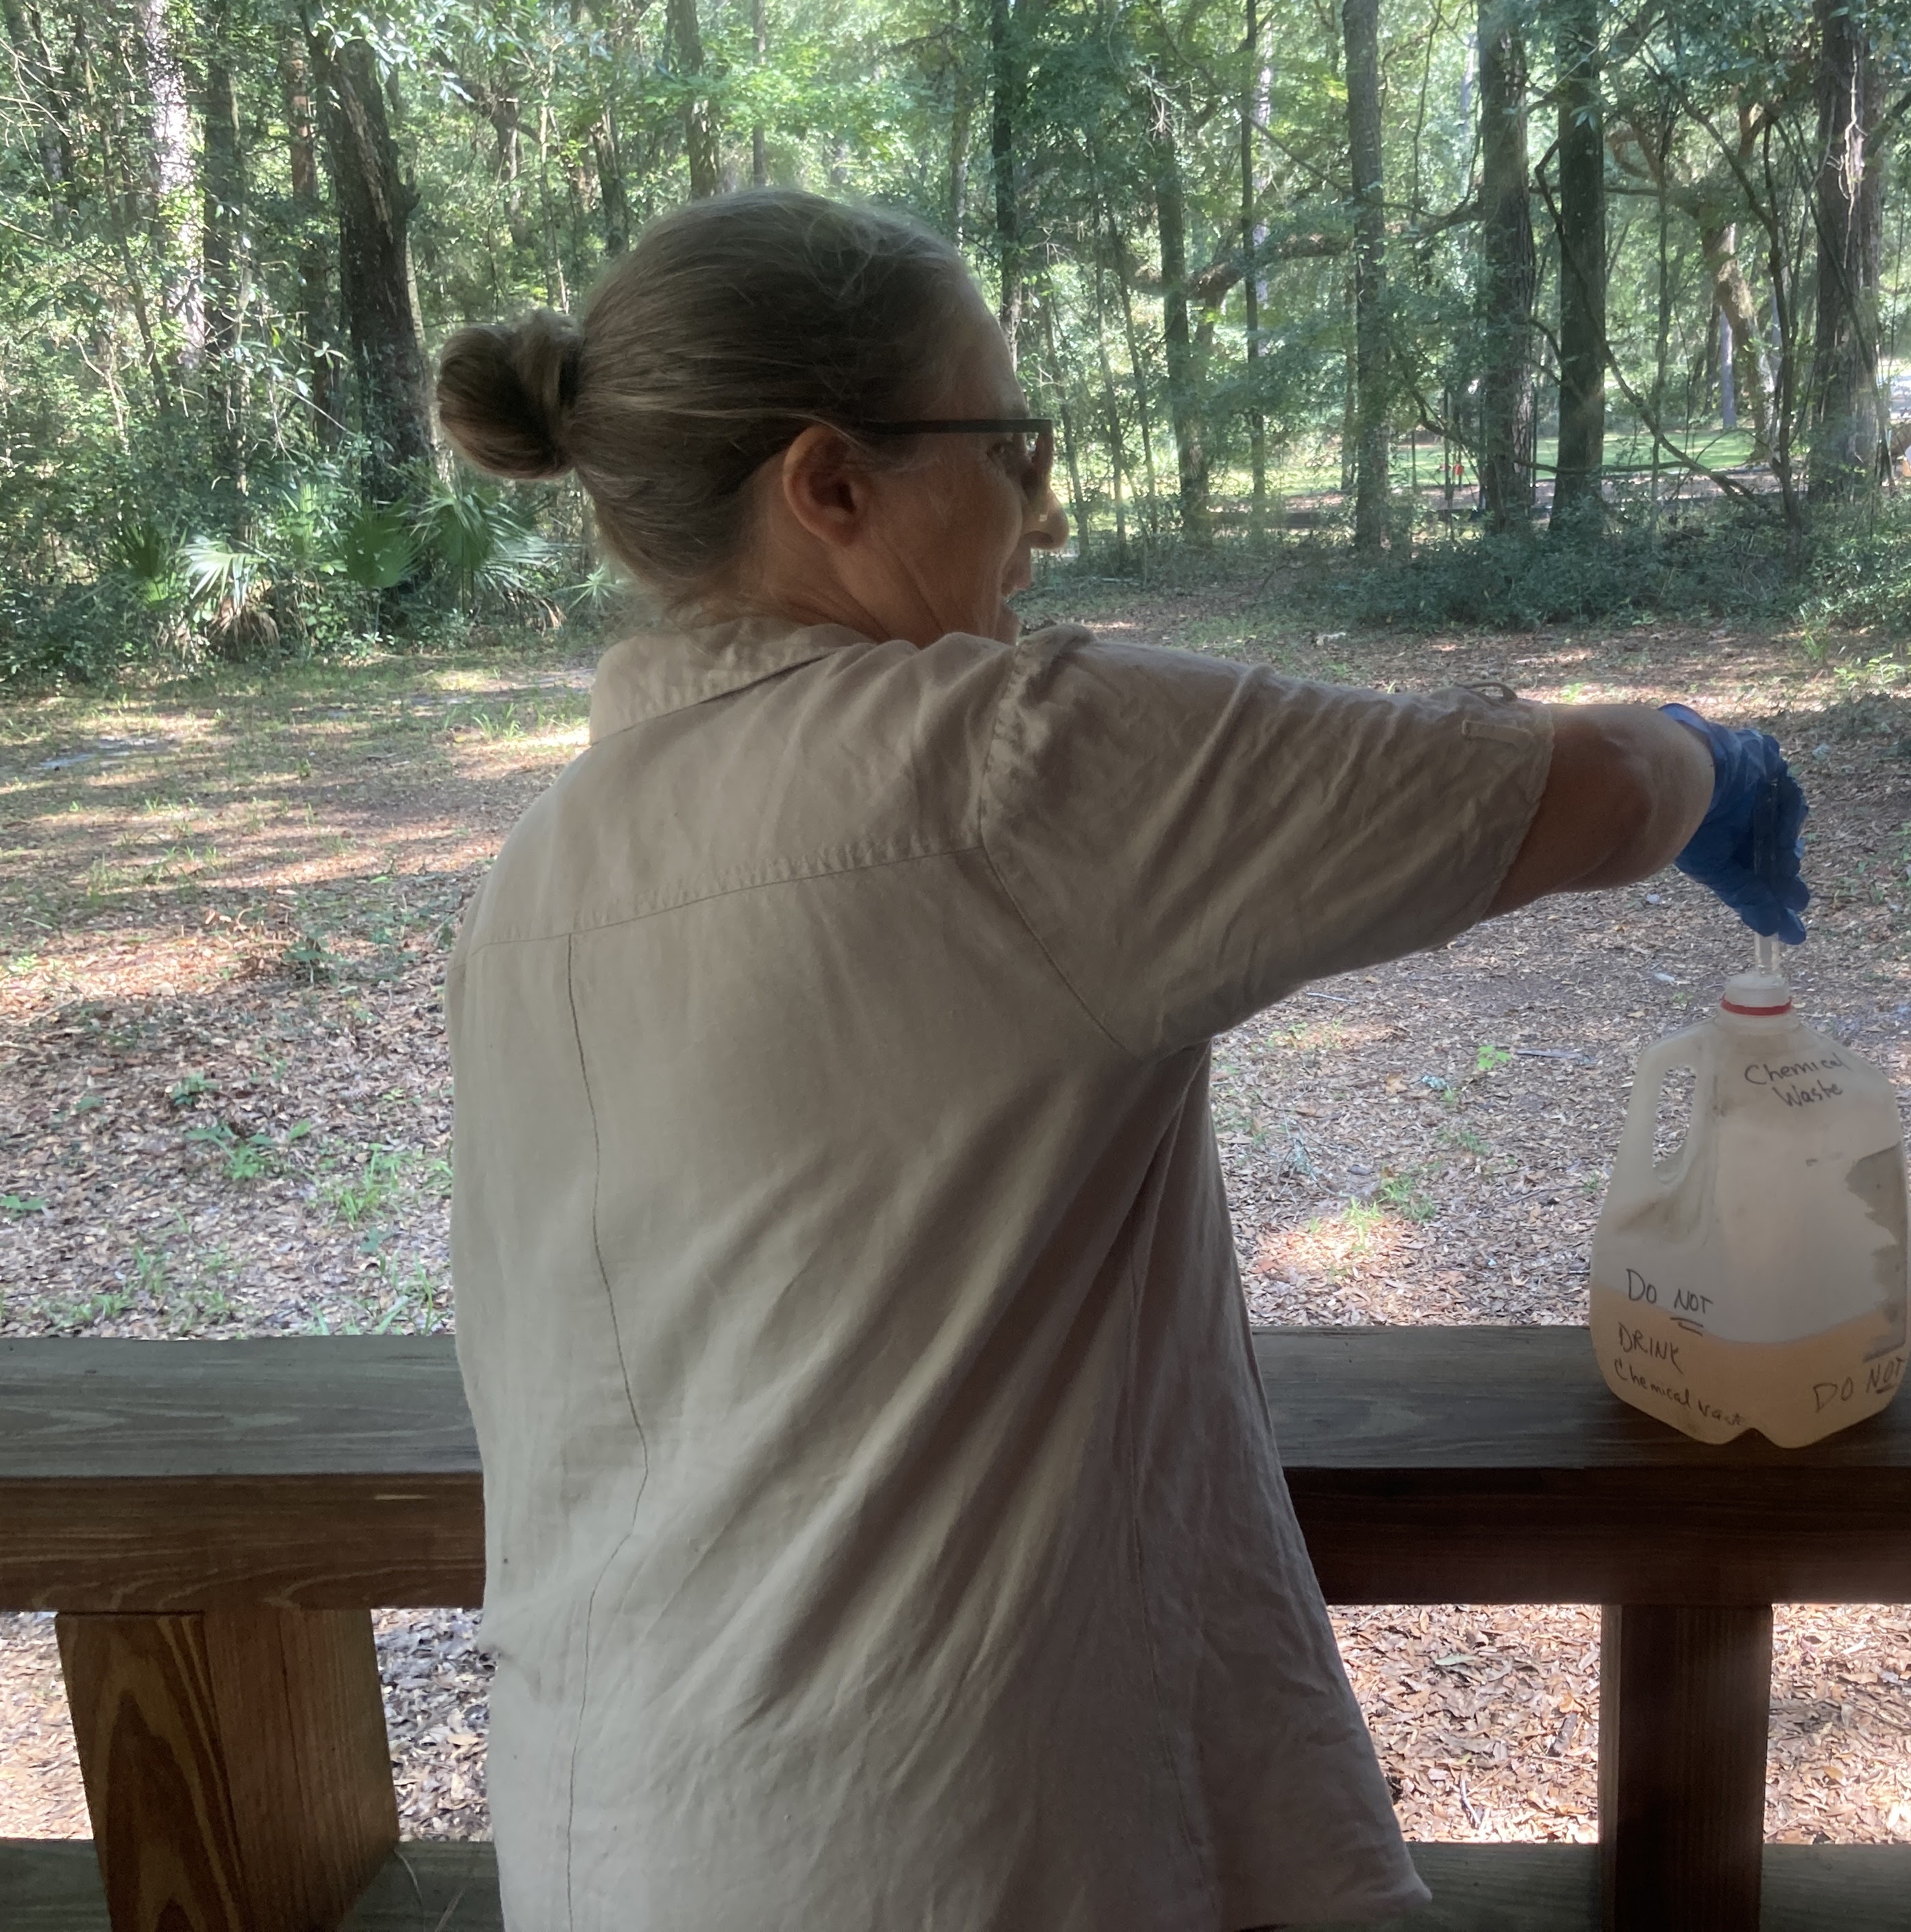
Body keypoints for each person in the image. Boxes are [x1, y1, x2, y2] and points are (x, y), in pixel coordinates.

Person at [437, 189, 1808, 1932]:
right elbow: (1577, 793)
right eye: (1012, 448)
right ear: (831, 486)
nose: (1049, 511)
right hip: (947, 1838)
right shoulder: (987, 769)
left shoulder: (533, 882)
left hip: (601, 1836)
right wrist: (1718, 760)